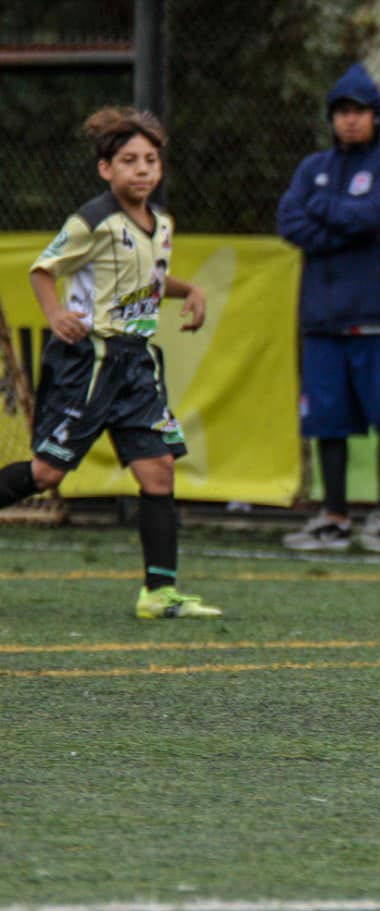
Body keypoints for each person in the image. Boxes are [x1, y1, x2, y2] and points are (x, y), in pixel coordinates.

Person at [0, 107, 220, 620]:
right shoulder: (91, 220)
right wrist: (55, 314)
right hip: (90, 360)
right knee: (48, 472)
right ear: (106, 169)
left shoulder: (160, 224)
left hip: (136, 364)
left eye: (150, 160)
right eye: (128, 160)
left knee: (159, 471)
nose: (141, 169)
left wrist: (191, 290)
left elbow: (150, 282)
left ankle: (158, 593)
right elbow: (42, 270)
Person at [277, 63, 380, 554]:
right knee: (327, 421)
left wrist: (327, 211)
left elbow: (377, 215)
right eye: (342, 111)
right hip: (323, 321)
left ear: (376, 116)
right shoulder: (311, 168)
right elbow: (290, 222)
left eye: (360, 111)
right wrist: (350, 225)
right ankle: (334, 517)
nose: (351, 120)